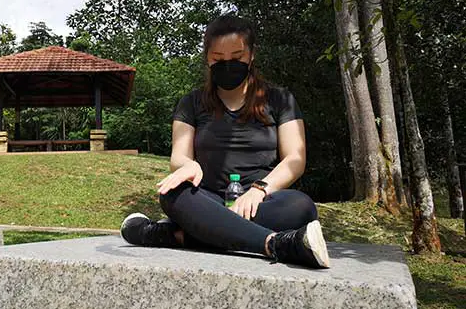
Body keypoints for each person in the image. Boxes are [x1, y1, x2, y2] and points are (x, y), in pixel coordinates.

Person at [120, 14, 330, 269]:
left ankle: (178, 235)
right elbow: (179, 156)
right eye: (218, 59)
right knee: (172, 194)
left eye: (237, 57)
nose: (228, 64)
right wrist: (189, 165)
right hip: (207, 200)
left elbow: (295, 158)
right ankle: (276, 244)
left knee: (302, 207)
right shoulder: (191, 103)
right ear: (208, 58)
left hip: (261, 202)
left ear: (251, 55)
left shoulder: (280, 99)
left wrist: (260, 189)